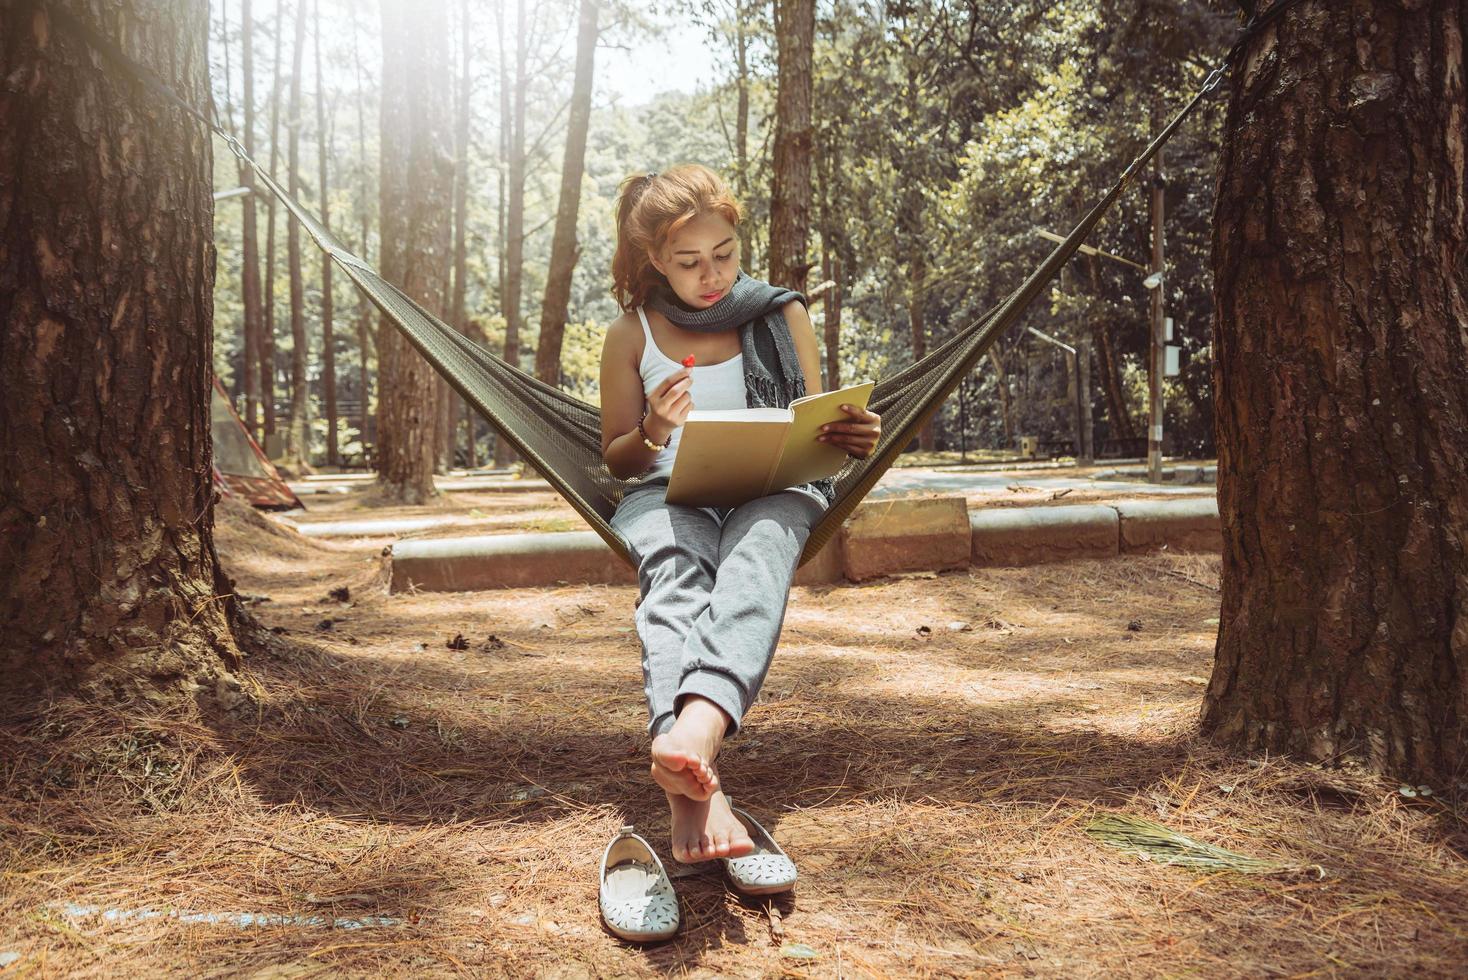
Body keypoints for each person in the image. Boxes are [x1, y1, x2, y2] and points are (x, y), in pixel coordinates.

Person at [599, 164, 881, 864]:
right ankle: (696, 776)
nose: (711, 274)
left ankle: (690, 740)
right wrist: (657, 430)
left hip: (774, 487)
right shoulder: (631, 335)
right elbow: (618, 459)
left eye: (723, 253)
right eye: (689, 262)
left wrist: (854, 439)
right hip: (665, 492)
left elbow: (816, 430)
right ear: (655, 261)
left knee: (758, 558)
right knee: (674, 571)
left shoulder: (783, 314)